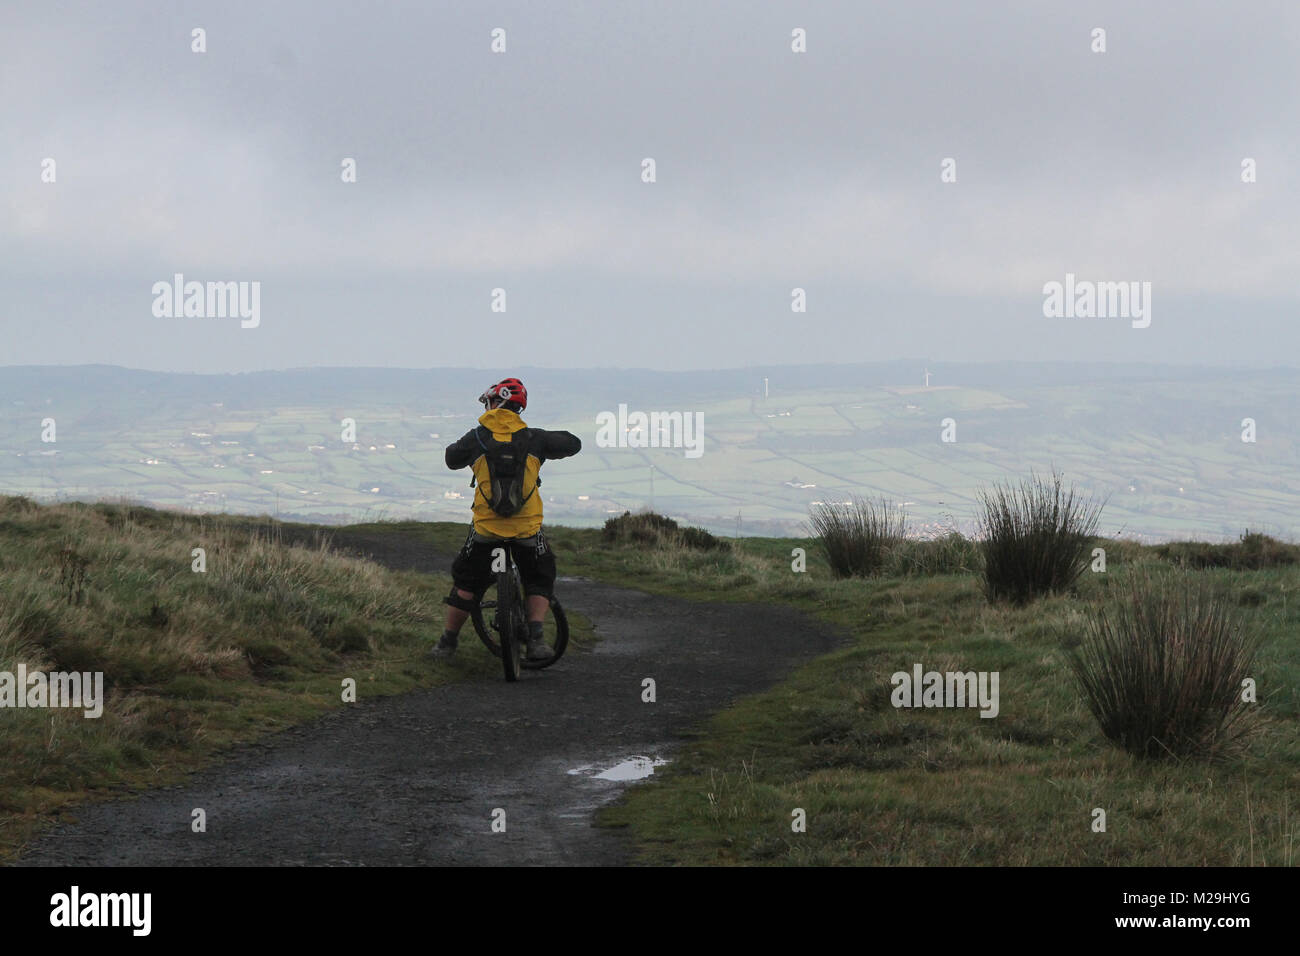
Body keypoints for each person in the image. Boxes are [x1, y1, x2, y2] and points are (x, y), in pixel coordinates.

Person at [432, 377, 581, 661]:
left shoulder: (476, 437)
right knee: (539, 577)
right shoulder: (535, 439)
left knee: (466, 582)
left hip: (486, 529)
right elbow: (573, 444)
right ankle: (536, 638)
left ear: (495, 402)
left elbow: (451, 459)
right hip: (527, 529)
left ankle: (447, 643)